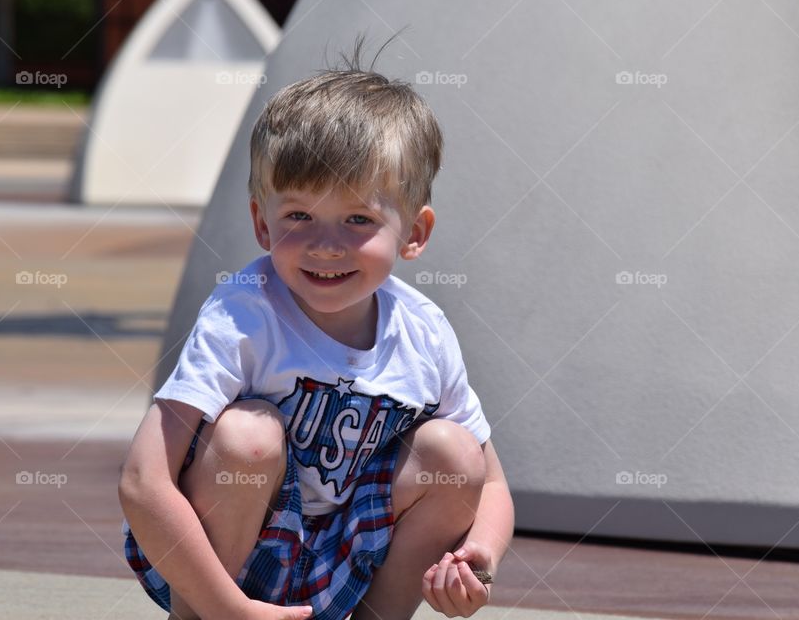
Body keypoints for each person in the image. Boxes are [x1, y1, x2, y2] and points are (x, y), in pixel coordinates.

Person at [118, 38, 515, 620]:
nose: (326, 244)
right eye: (299, 215)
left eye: (359, 219)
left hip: (344, 554)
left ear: (415, 233)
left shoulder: (422, 332)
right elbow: (141, 480)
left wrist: (478, 557)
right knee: (245, 439)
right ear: (261, 221)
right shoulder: (243, 313)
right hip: (215, 558)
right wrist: (226, 606)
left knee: (453, 454)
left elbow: (493, 485)